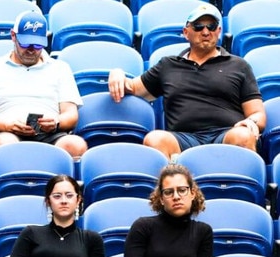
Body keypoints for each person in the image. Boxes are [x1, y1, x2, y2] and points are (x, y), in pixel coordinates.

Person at [107, 3, 266, 160]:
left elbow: (257, 113)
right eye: (198, 26)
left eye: (211, 26)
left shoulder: (239, 65)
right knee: (154, 139)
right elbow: (133, 87)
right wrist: (117, 73)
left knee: (244, 135)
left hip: (226, 134)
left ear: (218, 31)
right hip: (182, 139)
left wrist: (251, 122)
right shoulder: (168, 65)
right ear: (186, 32)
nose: (205, 32)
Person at [0, 10, 87, 158]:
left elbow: (71, 114)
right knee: (7, 143)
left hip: (49, 134)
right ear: (13, 36)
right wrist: (6, 125)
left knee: (76, 145)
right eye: (25, 43)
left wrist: (56, 122)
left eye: (37, 45)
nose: (31, 50)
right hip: (4, 132)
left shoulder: (60, 68)